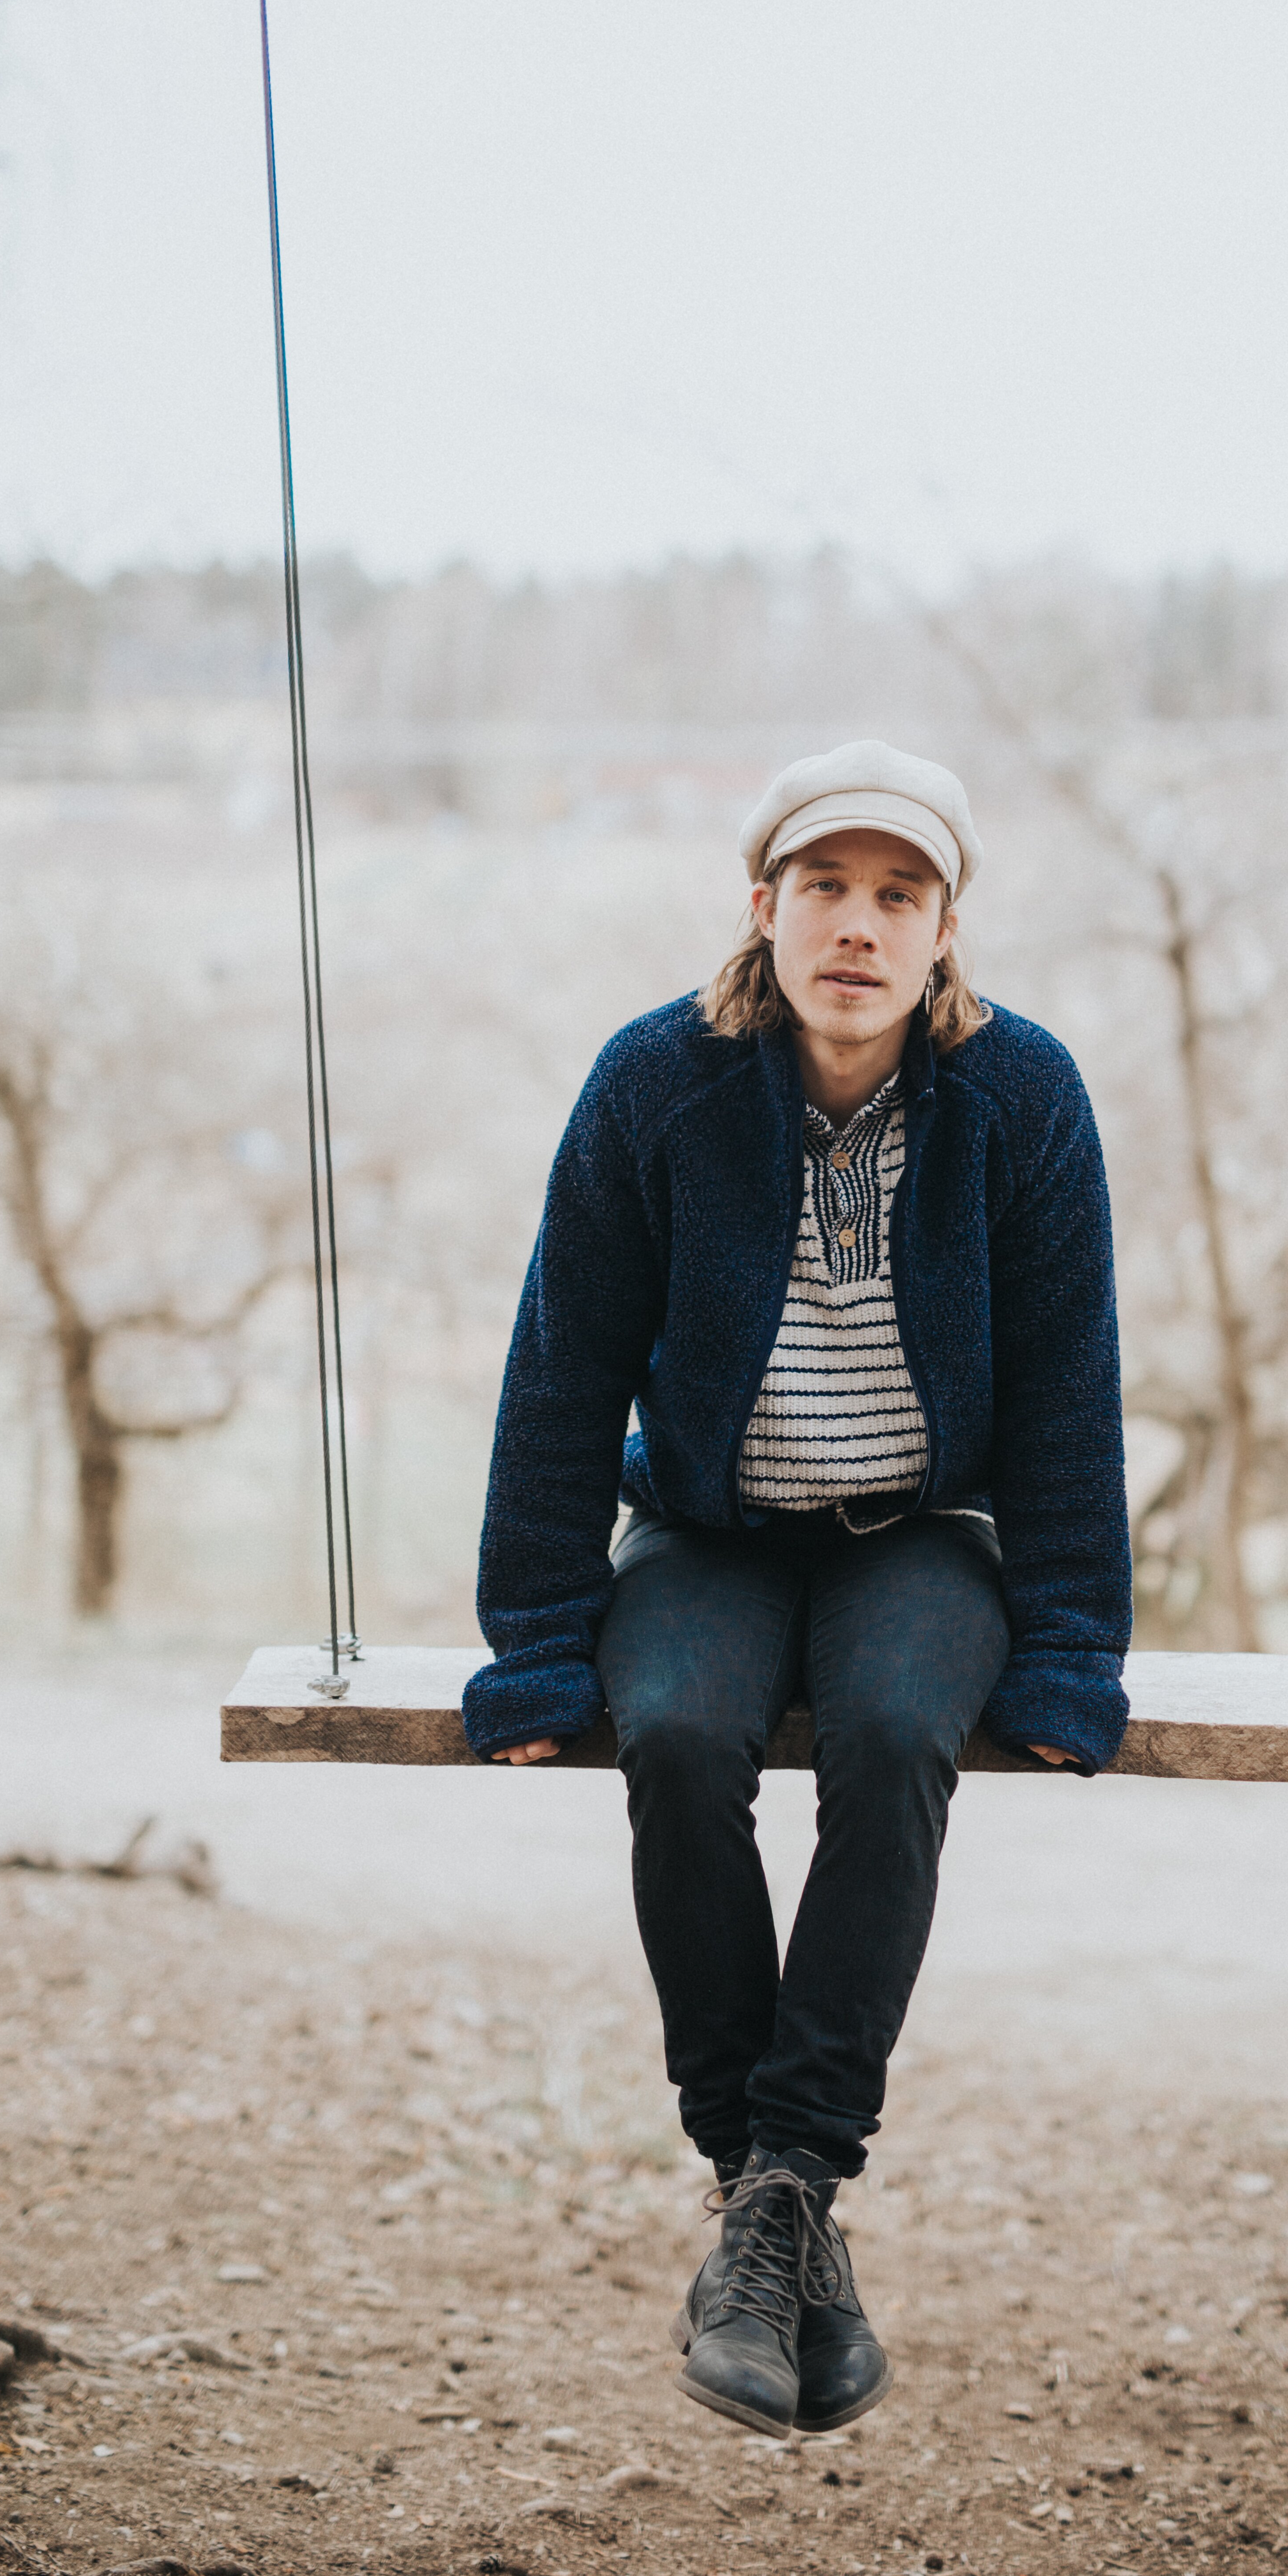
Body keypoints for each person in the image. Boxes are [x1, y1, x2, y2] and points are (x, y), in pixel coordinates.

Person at [464, 739, 1131, 2436]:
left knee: (899, 1731)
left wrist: (1069, 1653)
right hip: (712, 1524)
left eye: (899, 896)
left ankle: (785, 2190)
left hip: (920, 1530)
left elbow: (1070, 1390)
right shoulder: (657, 1082)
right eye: (826, 886)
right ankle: (761, 2187)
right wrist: (536, 1646)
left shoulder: (1022, 1095)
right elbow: (562, 1369)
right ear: (762, 906)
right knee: (680, 1733)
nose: (859, 924)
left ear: (946, 930)